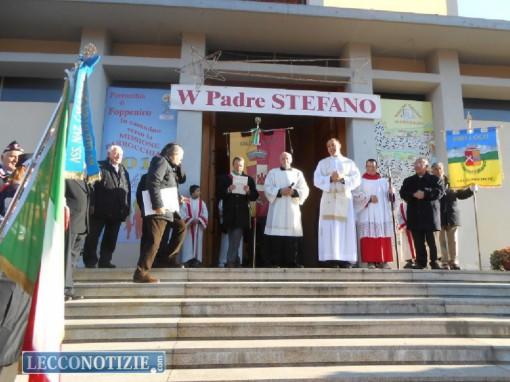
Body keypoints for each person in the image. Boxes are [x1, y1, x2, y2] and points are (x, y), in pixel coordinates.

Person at [133, 143, 187, 283]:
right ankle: (141, 273)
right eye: (180, 158)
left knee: (181, 226)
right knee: (153, 241)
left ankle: (167, 258)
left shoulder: (170, 166)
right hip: (159, 209)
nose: (181, 161)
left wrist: (177, 197)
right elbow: (153, 182)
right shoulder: (161, 160)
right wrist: (157, 205)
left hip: (170, 207)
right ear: (173, 155)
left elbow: (179, 179)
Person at [314, 138, 361, 268]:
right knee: (329, 227)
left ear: (339, 146)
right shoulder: (322, 163)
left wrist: (342, 179)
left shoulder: (349, 162)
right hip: (329, 199)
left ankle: (346, 259)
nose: (331, 148)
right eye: (328, 146)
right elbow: (316, 180)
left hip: (343, 198)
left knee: (344, 227)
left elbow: (357, 179)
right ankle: (330, 259)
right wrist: (329, 178)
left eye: (333, 145)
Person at [83, 145, 131, 268]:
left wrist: (127, 208)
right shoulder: (100, 167)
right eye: (115, 153)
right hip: (99, 210)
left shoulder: (124, 170)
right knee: (93, 237)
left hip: (117, 211)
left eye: (120, 154)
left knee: (111, 238)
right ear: (109, 154)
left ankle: (105, 261)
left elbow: (127, 190)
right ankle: (90, 261)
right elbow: (90, 187)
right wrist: (91, 206)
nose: (118, 156)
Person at [263, 152, 309, 267]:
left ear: (291, 159)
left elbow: (305, 189)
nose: (285, 160)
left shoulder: (298, 173)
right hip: (277, 209)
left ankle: (292, 262)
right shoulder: (273, 173)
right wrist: (279, 191)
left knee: (291, 236)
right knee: (276, 236)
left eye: (287, 158)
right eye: (282, 158)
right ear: (280, 160)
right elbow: (267, 187)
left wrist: (294, 192)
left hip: (291, 208)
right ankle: (275, 262)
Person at [400, 158, 444, 270]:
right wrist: (413, 194)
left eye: (420, 163)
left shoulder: (435, 179)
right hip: (415, 215)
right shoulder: (408, 180)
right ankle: (421, 262)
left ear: (426, 166)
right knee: (418, 242)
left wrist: (425, 193)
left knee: (432, 241)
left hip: (430, 215)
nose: (417, 165)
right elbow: (403, 193)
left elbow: (439, 192)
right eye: (416, 163)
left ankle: (435, 261)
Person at [431, 162, 476, 270]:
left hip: (452, 214)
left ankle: (454, 261)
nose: (438, 171)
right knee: (442, 240)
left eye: (440, 168)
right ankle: (445, 262)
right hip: (438, 215)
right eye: (435, 169)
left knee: (453, 240)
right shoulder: (430, 182)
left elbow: (460, 195)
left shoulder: (452, 181)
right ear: (432, 171)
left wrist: (471, 190)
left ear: (443, 169)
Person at [218, 157, 258, 268]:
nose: (238, 167)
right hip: (229, 213)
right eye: (236, 165)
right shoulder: (225, 178)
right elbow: (219, 194)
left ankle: (230, 261)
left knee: (236, 236)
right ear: (233, 165)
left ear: (243, 166)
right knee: (232, 238)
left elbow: (255, 196)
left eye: (240, 165)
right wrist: (228, 190)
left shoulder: (248, 179)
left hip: (242, 213)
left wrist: (248, 191)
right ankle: (236, 260)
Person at [354, 159, 394, 269]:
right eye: (368, 166)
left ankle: (383, 261)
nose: (370, 168)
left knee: (382, 236)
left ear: (377, 167)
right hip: (367, 213)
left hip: (381, 214)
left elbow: (391, 198)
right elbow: (356, 196)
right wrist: (369, 198)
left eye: (373, 166)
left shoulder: (384, 181)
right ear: (365, 167)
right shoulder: (360, 181)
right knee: (368, 236)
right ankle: (370, 261)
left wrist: (391, 192)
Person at [64, 177, 90, 300]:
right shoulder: (66, 178)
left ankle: (69, 289)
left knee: (73, 260)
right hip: (71, 224)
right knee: (66, 259)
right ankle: (64, 289)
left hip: (82, 224)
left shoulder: (84, 179)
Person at [180, 185, 208, 267]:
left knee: (198, 244)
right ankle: (186, 260)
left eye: (199, 191)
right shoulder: (186, 202)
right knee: (187, 244)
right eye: (198, 191)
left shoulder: (201, 203)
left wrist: (199, 220)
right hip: (188, 228)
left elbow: (205, 214)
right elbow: (182, 214)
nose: (200, 192)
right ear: (192, 192)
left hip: (198, 228)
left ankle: (197, 261)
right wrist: (191, 220)